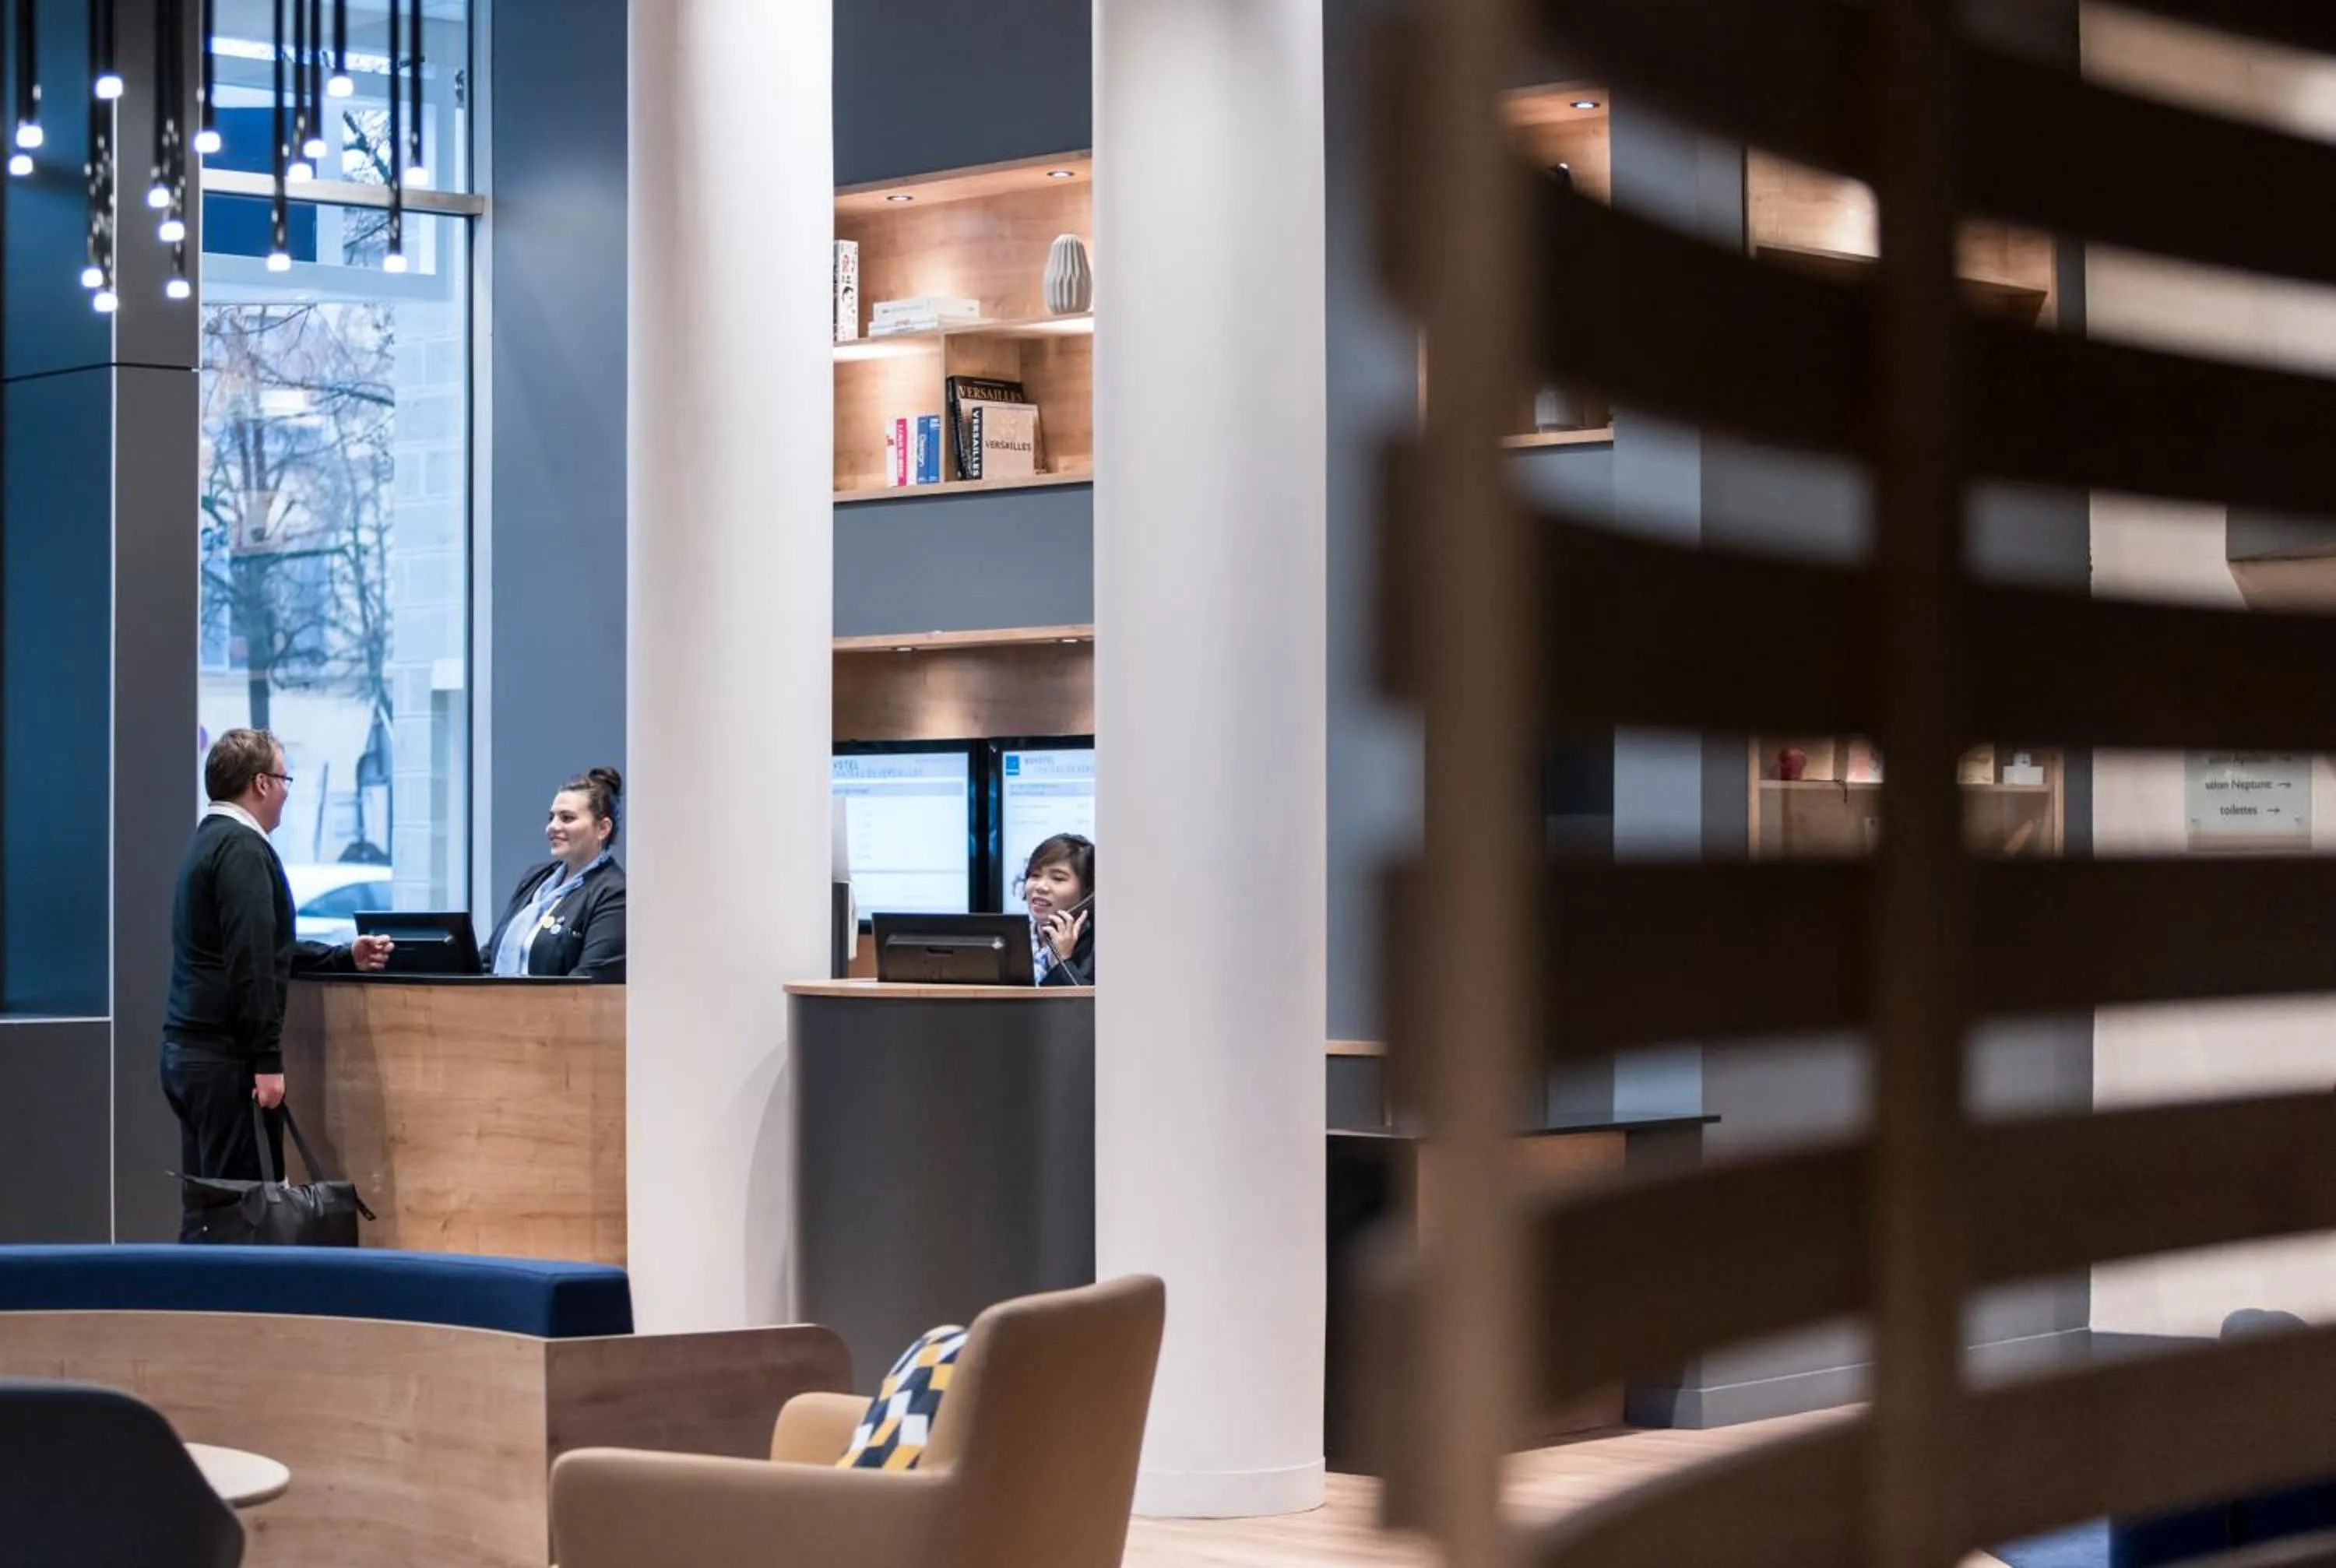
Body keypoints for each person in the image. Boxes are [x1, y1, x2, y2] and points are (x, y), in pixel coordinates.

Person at [164, 729, 394, 1242]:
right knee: (238, 1217)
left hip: (190, 1055)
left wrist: (342, 956)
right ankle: (223, 1297)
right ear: (261, 783)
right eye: (285, 779)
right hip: (226, 1062)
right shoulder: (242, 848)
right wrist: (267, 1061)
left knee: (208, 1213)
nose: (288, 791)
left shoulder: (209, 840)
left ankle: (192, 1292)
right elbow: (251, 960)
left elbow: (261, 946)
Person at [482, 767, 628, 980]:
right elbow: (490, 956)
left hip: (557, 1004)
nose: (552, 827)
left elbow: (591, 979)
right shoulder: (535, 878)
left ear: (603, 829)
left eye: (567, 818)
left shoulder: (614, 893)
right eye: (551, 818)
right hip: (498, 1001)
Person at [1020, 832, 1094, 986]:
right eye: (1035, 875)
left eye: (1058, 878)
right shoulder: (1011, 939)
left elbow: (1089, 1002)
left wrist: (1062, 961)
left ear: (1088, 891)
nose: (1041, 887)